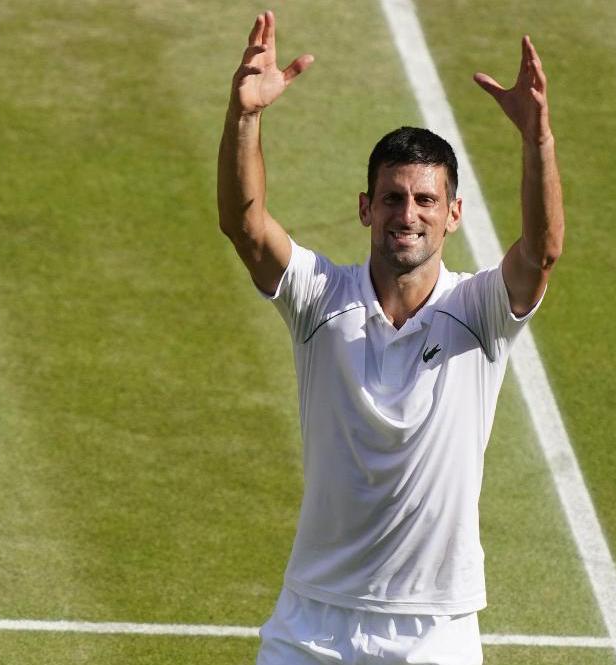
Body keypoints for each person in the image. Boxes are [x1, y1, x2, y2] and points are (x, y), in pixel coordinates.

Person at [217, 10, 564, 665]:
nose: (409, 215)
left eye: (426, 200)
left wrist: (538, 141)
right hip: (311, 622)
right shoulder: (319, 296)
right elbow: (244, 224)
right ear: (365, 207)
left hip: (433, 631)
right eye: (393, 198)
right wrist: (244, 118)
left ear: (454, 214)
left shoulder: (480, 310)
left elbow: (542, 252)